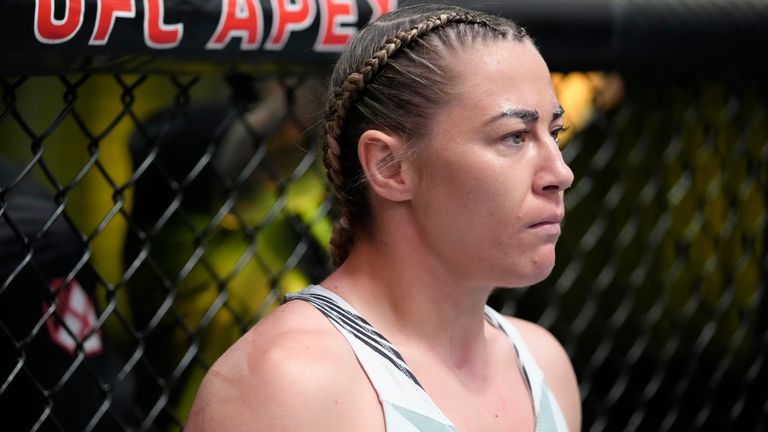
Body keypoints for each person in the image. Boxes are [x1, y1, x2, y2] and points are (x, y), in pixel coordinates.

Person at [185, 4, 580, 431]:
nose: (560, 172)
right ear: (390, 166)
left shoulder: (542, 363)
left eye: (553, 133)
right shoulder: (288, 384)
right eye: (514, 137)